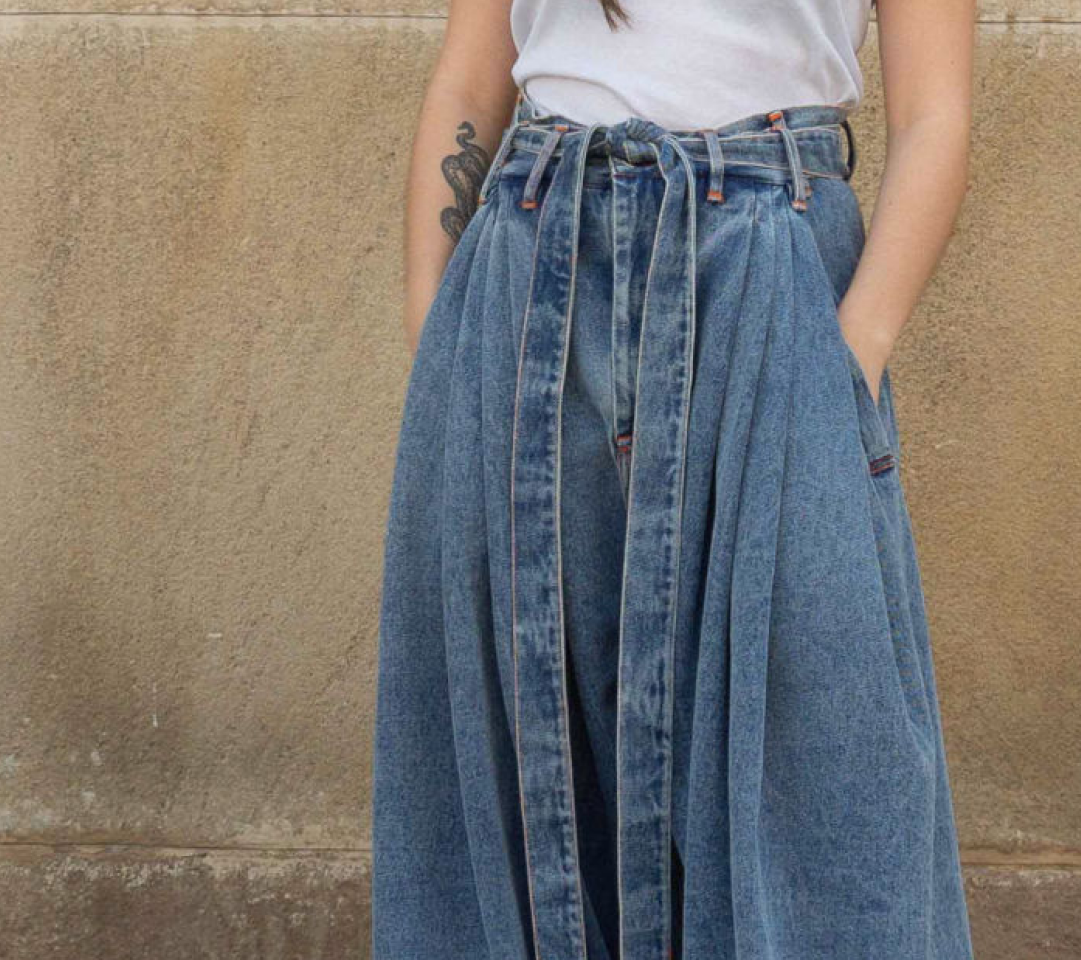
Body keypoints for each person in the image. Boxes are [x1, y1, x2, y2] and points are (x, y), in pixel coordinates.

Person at [372, 0, 976, 956]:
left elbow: (934, 115)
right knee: (532, 758)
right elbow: (468, 77)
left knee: (815, 750)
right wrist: (435, 337)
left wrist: (846, 360)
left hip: (766, 265)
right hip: (533, 264)